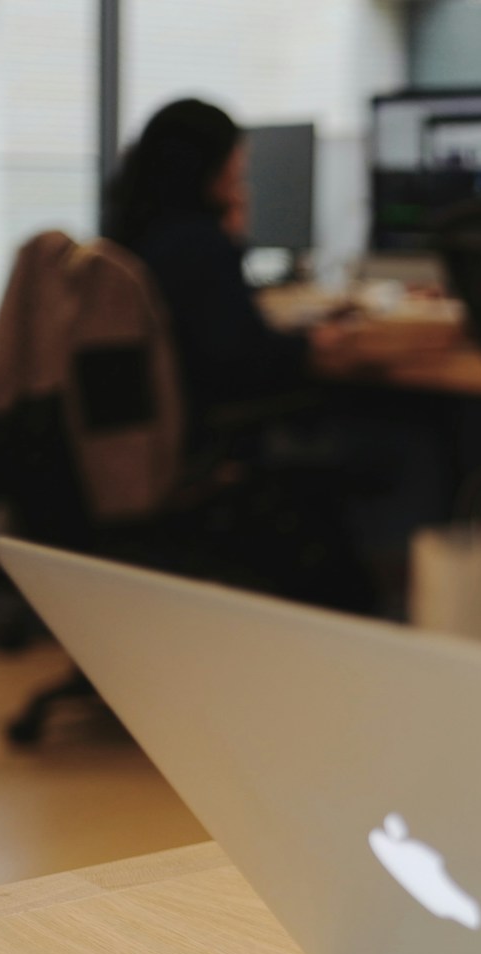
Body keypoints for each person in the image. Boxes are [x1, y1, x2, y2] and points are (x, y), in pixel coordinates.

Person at [103, 98, 452, 606]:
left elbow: (220, 341)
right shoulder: (199, 245)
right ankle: (399, 610)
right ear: (209, 169)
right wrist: (315, 344)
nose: (242, 176)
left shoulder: (130, 239)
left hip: (149, 447)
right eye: (234, 166)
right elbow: (243, 362)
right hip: (212, 446)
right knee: (412, 435)